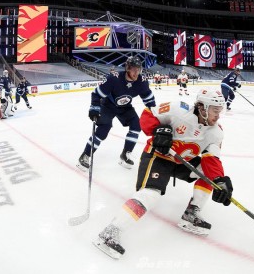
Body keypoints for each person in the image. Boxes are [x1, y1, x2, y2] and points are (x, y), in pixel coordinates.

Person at [93, 88, 234, 259]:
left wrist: (219, 181)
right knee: (150, 195)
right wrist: (157, 131)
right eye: (215, 110)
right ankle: (110, 232)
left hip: (181, 162)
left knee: (209, 176)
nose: (218, 115)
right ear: (202, 108)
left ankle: (192, 212)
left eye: (220, 111)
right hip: (158, 157)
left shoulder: (216, 133)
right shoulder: (178, 110)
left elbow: (211, 160)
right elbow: (147, 115)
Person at [76, 56, 156, 171]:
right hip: (108, 105)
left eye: (138, 69)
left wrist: (154, 110)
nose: (136, 72)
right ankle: (85, 155)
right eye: (134, 69)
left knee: (136, 125)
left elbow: (148, 97)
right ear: (128, 68)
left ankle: (125, 154)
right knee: (104, 128)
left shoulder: (141, 82)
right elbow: (96, 94)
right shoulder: (114, 79)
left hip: (125, 107)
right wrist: (94, 108)